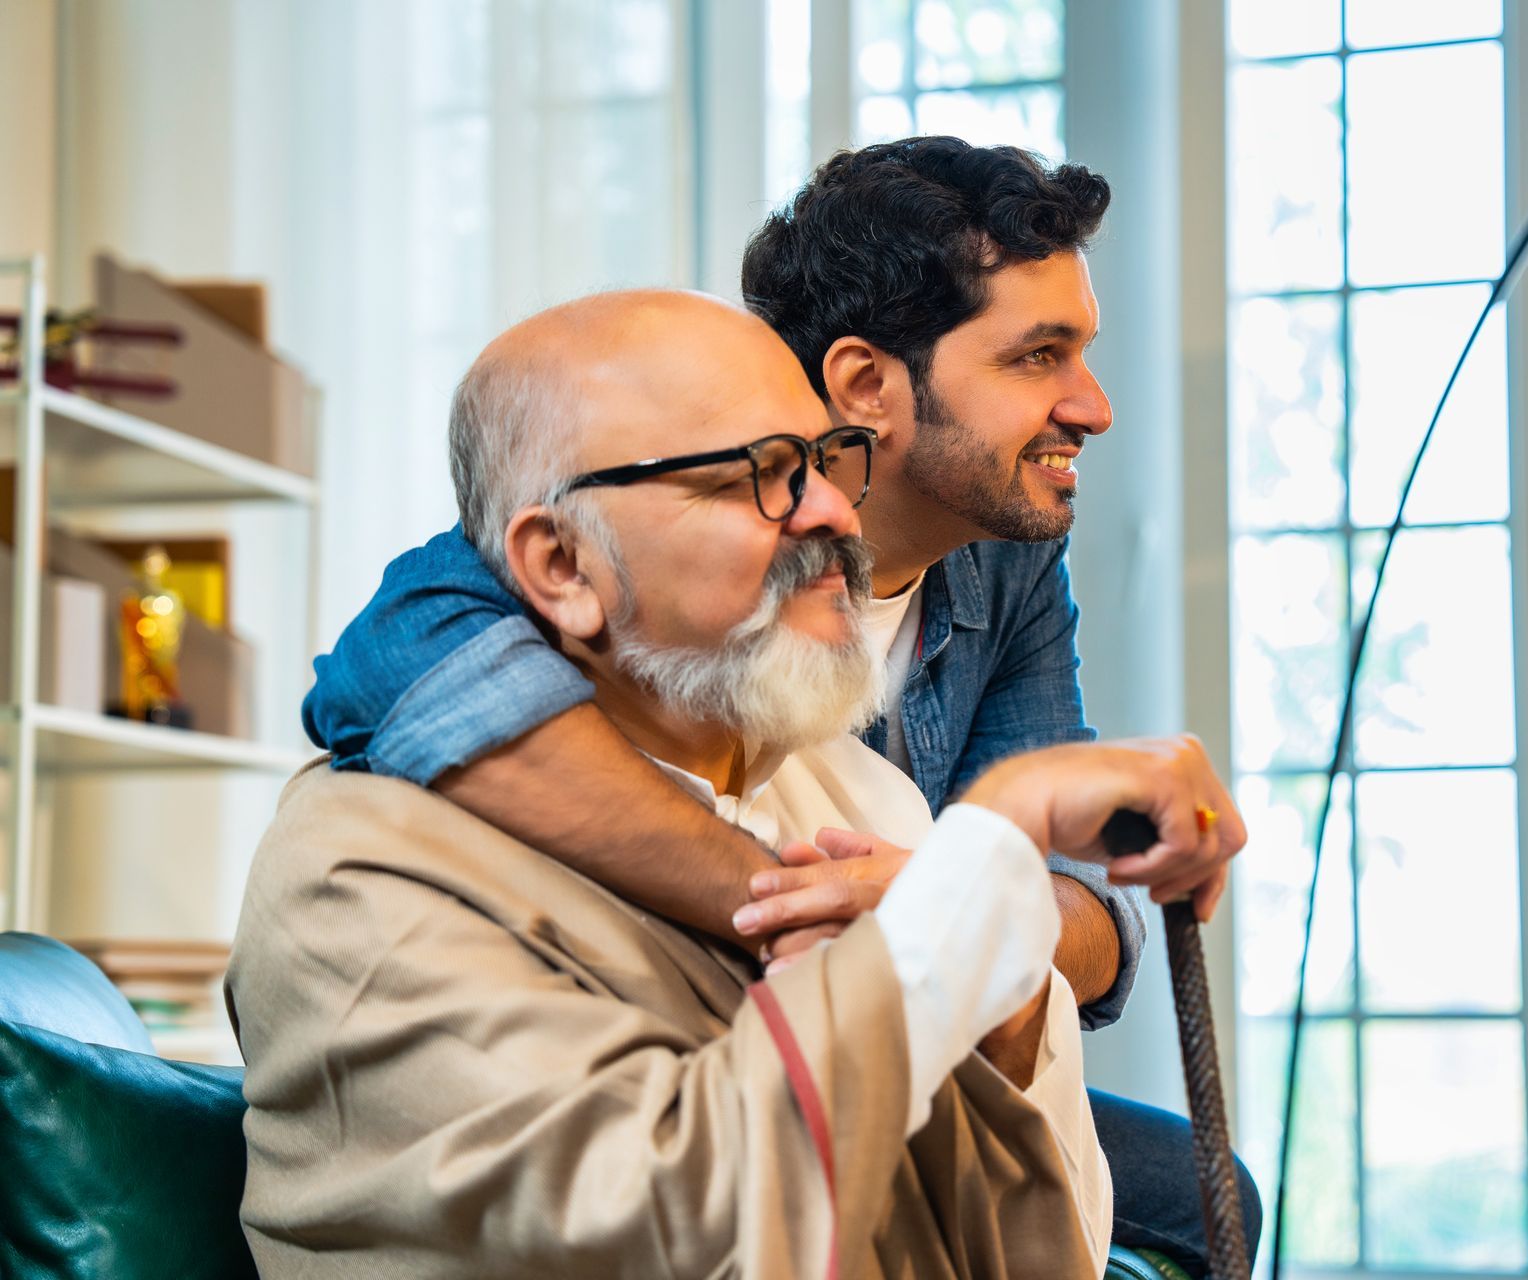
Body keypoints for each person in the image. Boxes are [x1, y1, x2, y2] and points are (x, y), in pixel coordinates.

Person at [301, 137, 1258, 1272]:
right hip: (771, 1071)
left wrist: (957, 917)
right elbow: (394, 666)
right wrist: (872, 904)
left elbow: (1088, 922)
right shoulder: (493, 605)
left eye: (822, 469)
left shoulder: (999, 581)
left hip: (883, 1058)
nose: (1092, 406)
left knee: (1202, 1195)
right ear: (865, 385)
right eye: (1038, 355)